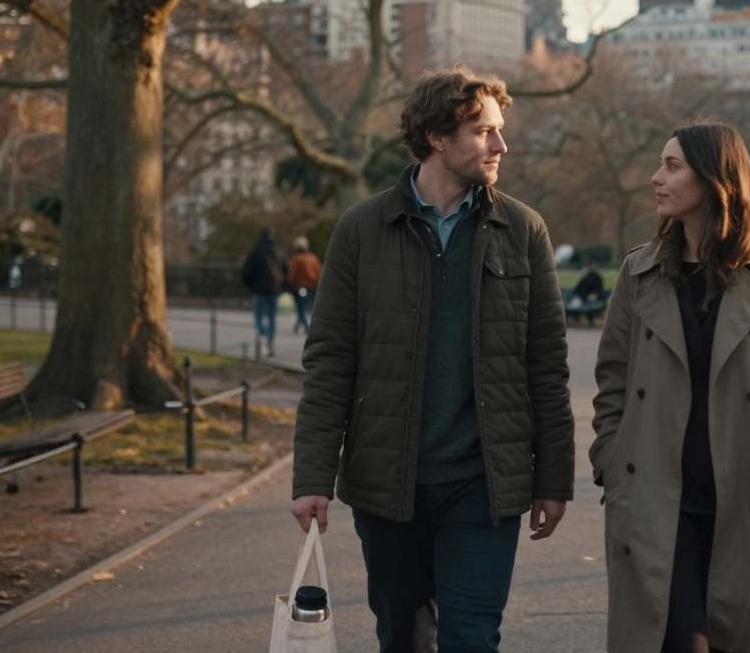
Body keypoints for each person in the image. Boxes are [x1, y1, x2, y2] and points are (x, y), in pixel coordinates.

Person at [290, 66, 575, 653]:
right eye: (482, 131)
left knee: (472, 638)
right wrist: (312, 476)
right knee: (403, 637)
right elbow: (330, 361)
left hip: (484, 482)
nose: (500, 145)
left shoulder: (522, 229)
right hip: (388, 483)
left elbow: (546, 364)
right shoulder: (362, 230)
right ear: (438, 137)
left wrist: (553, 478)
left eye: (498, 130)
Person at [590, 122, 750, 653]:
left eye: (672, 166)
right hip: (655, 496)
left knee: (729, 640)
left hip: (742, 492)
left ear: (715, 179)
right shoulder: (639, 272)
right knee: (679, 641)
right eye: (660, 164)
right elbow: (612, 379)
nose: (656, 178)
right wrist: (611, 456)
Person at [240, 227, 287, 357]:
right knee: (272, 317)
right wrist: (283, 287)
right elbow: (285, 269)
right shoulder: (278, 251)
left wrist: (248, 284)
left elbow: (247, 270)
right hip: (274, 289)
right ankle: (270, 340)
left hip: (259, 289)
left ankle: (264, 335)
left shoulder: (256, 251)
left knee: (259, 317)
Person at [287, 236, 322, 334]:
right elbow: (318, 271)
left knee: (300, 307)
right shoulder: (312, 258)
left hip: (299, 287)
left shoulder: (295, 259)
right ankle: (298, 325)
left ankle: (305, 326)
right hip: (311, 286)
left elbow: (292, 274)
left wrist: (290, 284)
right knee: (302, 306)